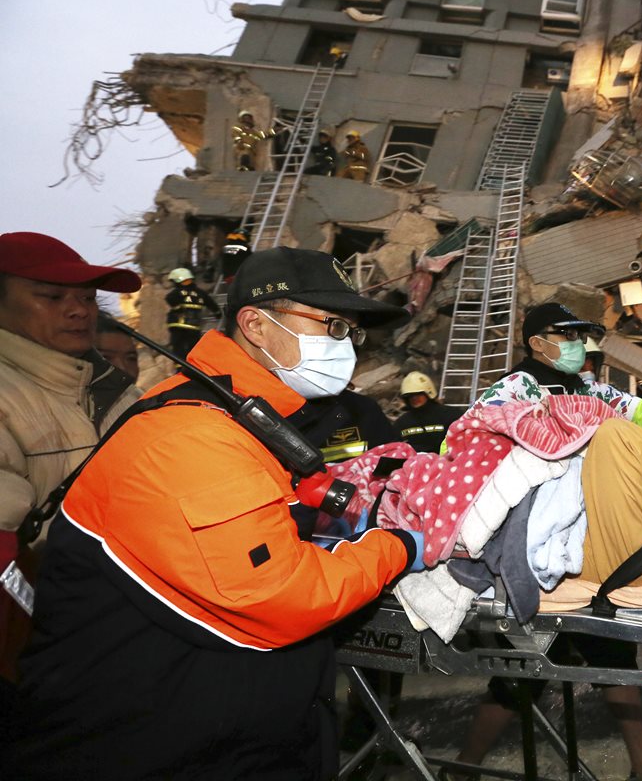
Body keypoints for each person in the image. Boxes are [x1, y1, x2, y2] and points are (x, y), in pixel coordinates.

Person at [3, 247, 423, 780]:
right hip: (146, 745)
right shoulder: (194, 433)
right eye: (331, 325)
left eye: (352, 332)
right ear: (256, 325)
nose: (345, 346)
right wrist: (397, 546)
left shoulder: (240, 416)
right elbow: (277, 595)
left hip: (217, 733)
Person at [448, 302, 642, 781]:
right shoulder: (514, 389)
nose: (577, 345)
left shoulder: (590, 389)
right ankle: (463, 769)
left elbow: (638, 413)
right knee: (523, 673)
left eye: (581, 335)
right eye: (566, 335)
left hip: (593, 537)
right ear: (537, 341)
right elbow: (473, 447)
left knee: (608, 657)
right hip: (543, 538)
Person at [0, 232, 142, 685]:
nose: (79, 309)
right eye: (51, 295)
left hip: (123, 638)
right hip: (36, 655)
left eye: (86, 296)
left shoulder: (121, 392)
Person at [393, 370, 464, 453]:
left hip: (448, 463)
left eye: (418, 394)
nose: (414, 398)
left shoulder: (451, 415)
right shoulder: (401, 424)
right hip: (413, 464)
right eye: (409, 396)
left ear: (429, 393)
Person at [165, 266, 221, 359]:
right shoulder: (200, 293)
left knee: (178, 347)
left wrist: (178, 307)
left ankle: (180, 367)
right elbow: (211, 304)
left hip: (177, 325)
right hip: (193, 326)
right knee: (194, 348)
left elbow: (169, 299)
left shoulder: (176, 292)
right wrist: (217, 313)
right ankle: (193, 367)